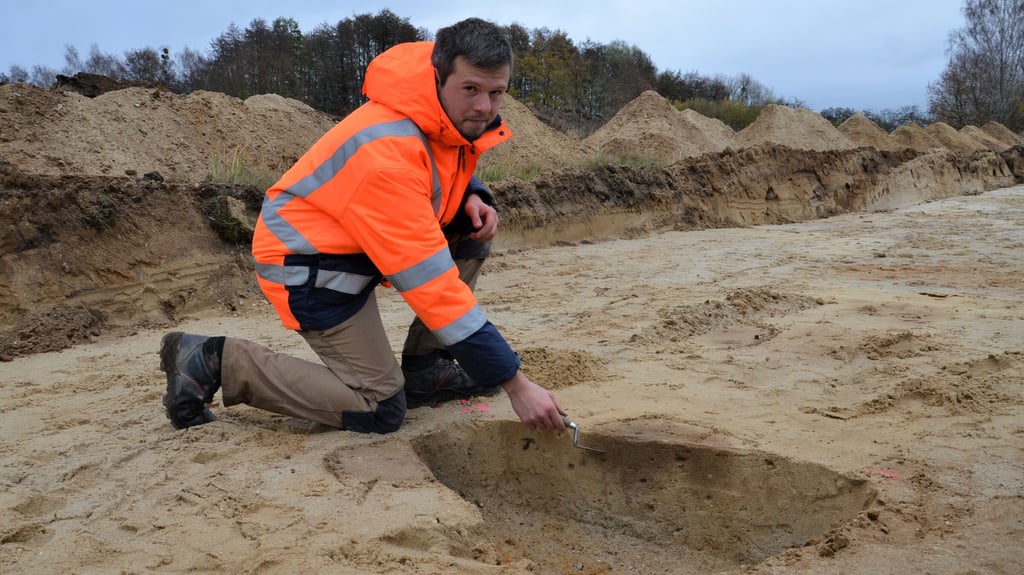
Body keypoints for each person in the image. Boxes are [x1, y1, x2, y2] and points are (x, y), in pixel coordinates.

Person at [159, 17, 567, 434]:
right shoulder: (388, 157)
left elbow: (443, 158)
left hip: (354, 247)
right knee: (380, 408)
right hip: (308, 267)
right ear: (439, 77)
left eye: (496, 93)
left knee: (467, 224)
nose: (484, 106)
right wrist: (516, 384)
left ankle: (426, 370)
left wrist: (472, 195)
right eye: (471, 90)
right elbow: (434, 289)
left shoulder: (433, 111)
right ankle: (216, 360)